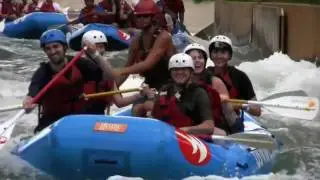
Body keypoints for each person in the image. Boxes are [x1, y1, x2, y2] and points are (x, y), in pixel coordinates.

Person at [22, 29, 115, 133]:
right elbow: (32, 93)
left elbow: (110, 76)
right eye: (48, 48)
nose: (52, 52)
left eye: (56, 46)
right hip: (52, 121)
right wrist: (28, 103)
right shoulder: (42, 73)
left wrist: (95, 54)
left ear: (65, 47)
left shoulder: (79, 64)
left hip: (78, 118)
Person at [114, 0, 176, 117]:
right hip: (149, 86)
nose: (141, 19)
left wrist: (117, 71)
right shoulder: (136, 41)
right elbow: (127, 68)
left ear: (153, 17)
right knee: (136, 110)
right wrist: (111, 85)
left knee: (149, 107)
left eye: (145, 16)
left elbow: (148, 64)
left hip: (170, 85)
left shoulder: (164, 37)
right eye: (138, 16)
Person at [80, 30, 156, 114]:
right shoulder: (78, 66)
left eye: (101, 47)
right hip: (77, 115)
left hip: (98, 115)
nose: (99, 51)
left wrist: (140, 95)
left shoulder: (107, 70)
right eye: (96, 47)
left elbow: (120, 102)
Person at [151, 53, 226, 135]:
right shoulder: (164, 90)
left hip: (190, 138)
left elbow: (209, 126)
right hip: (166, 135)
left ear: (191, 72)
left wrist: (183, 130)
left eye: (184, 69)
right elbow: (154, 117)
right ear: (170, 72)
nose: (179, 72)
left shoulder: (199, 93)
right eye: (175, 69)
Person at [184, 43, 244, 134]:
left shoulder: (214, 81)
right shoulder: (180, 79)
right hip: (193, 122)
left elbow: (225, 98)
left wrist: (202, 98)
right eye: (193, 58)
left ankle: (237, 133)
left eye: (200, 58)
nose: (197, 61)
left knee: (226, 106)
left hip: (215, 123)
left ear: (204, 60)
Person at [207, 35, 261, 116]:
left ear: (229, 55)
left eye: (223, 52)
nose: (219, 56)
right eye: (215, 52)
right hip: (210, 119)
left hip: (231, 122)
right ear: (210, 55)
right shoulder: (205, 74)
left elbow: (257, 111)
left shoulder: (240, 77)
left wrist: (241, 105)